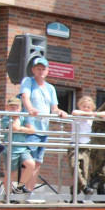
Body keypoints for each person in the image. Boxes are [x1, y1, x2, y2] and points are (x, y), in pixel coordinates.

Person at [18, 57, 68, 192]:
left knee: (38, 162)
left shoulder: (50, 88)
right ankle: (20, 190)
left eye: (43, 69)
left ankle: (29, 192)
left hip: (44, 129)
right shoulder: (28, 81)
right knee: (29, 162)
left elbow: (54, 108)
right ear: (33, 70)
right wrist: (30, 109)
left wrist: (60, 112)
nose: (41, 71)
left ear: (47, 71)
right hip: (31, 127)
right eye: (38, 68)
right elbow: (25, 97)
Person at [70, 96, 105, 194]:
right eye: (84, 106)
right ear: (79, 106)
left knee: (84, 171)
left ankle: (75, 194)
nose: (86, 109)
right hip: (75, 145)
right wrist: (87, 113)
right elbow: (74, 112)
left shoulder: (92, 117)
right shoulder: (77, 114)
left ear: (92, 108)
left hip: (86, 146)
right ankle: (84, 187)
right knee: (74, 167)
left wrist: (94, 114)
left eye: (88, 107)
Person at [2, 97, 36, 194]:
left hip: (22, 148)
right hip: (11, 149)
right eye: (12, 107)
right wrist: (16, 119)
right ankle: (8, 195)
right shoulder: (6, 118)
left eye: (17, 107)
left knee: (31, 164)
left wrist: (20, 128)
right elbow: (15, 128)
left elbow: (32, 130)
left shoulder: (23, 117)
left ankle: (20, 186)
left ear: (20, 108)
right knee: (10, 172)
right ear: (7, 108)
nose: (15, 110)